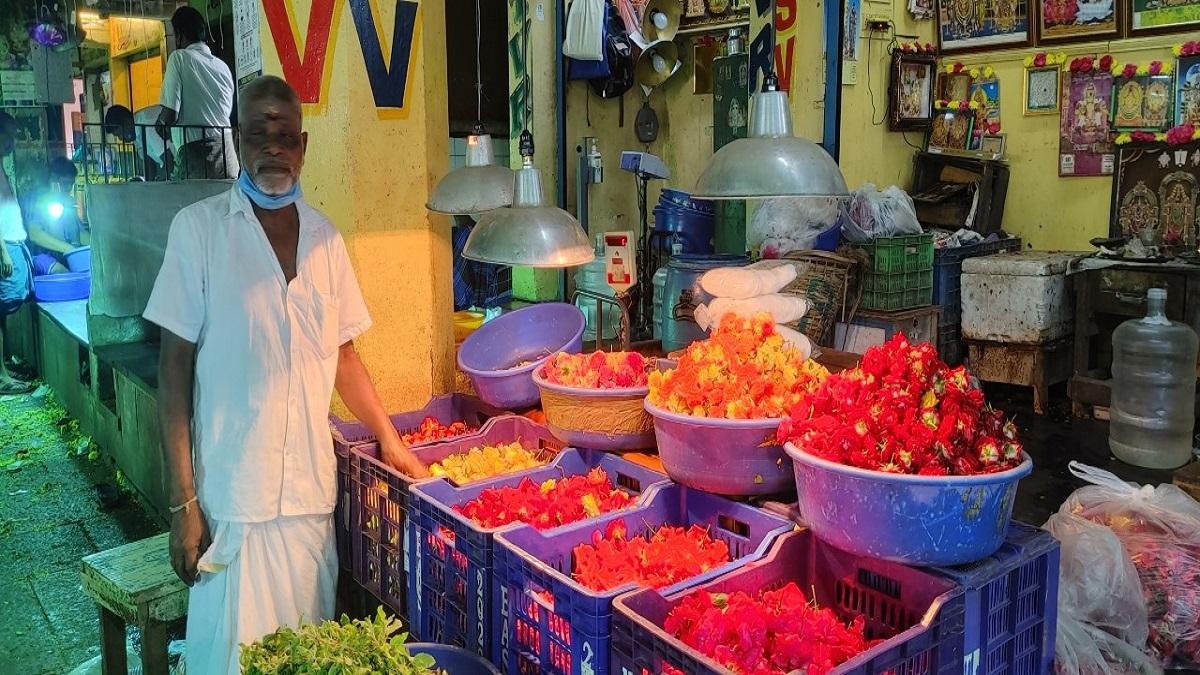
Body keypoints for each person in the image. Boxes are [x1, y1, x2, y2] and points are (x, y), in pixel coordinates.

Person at [144, 75, 428, 675]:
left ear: (304, 145)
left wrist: (390, 438)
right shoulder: (199, 230)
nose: (273, 146)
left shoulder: (326, 238)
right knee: (231, 662)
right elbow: (173, 373)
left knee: (306, 656)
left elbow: (344, 357)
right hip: (232, 503)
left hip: (307, 504)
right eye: (257, 133)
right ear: (236, 139)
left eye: (285, 135)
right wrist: (182, 503)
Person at [156, 6, 238, 179]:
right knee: (227, 197)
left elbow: (171, 113)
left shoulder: (178, 58)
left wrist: (160, 124)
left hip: (198, 156)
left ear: (179, 35)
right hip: (228, 153)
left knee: (190, 197)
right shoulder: (222, 66)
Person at [0, 112, 34, 394]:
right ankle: (2, 378)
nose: (12, 142)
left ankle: (4, 366)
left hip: (11, 244)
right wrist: (3, 253)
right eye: (7, 136)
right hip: (5, 248)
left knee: (3, 313)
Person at [26, 157, 88, 275]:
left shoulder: (69, 203)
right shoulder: (40, 200)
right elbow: (35, 235)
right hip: (41, 256)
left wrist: (97, 244)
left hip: (65, 255)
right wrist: (69, 248)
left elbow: (80, 234)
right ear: (53, 179)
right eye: (65, 183)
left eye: (71, 184)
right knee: (61, 271)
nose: (68, 188)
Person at [104, 104, 174, 181]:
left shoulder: (147, 126)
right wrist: (147, 185)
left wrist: (160, 184)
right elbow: (148, 162)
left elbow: (168, 159)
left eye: (120, 134)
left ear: (128, 123)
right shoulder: (135, 134)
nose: (120, 139)